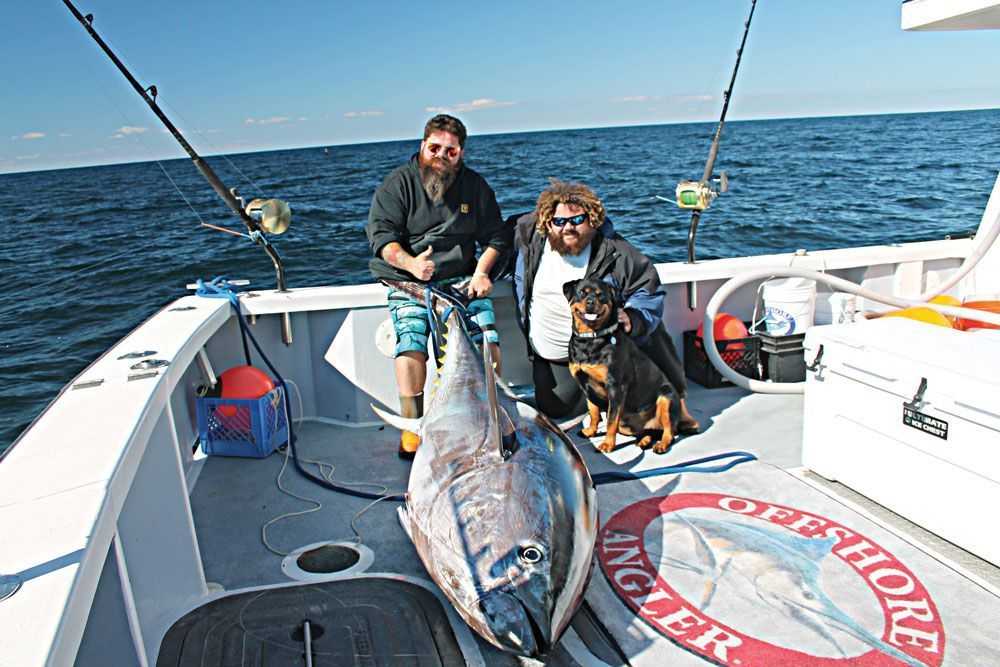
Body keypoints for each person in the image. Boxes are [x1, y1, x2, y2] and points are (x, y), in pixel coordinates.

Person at [366, 114, 511, 458]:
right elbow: (382, 237)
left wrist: (481, 273)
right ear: (422, 146)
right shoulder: (397, 184)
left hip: (463, 280)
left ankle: (484, 420)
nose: (441, 156)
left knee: (487, 344)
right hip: (408, 281)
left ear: (460, 153)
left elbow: (495, 235)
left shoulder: (475, 186)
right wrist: (411, 264)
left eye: (451, 151)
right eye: (435, 148)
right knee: (410, 345)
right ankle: (413, 430)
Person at [512, 179, 699, 431]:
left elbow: (647, 288)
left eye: (577, 220)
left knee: (652, 332)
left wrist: (633, 317)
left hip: (604, 346)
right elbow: (490, 240)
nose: (568, 227)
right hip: (555, 355)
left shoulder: (617, 251)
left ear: (592, 219)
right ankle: (603, 398)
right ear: (546, 223)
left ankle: (678, 405)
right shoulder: (528, 238)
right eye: (559, 221)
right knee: (555, 408)